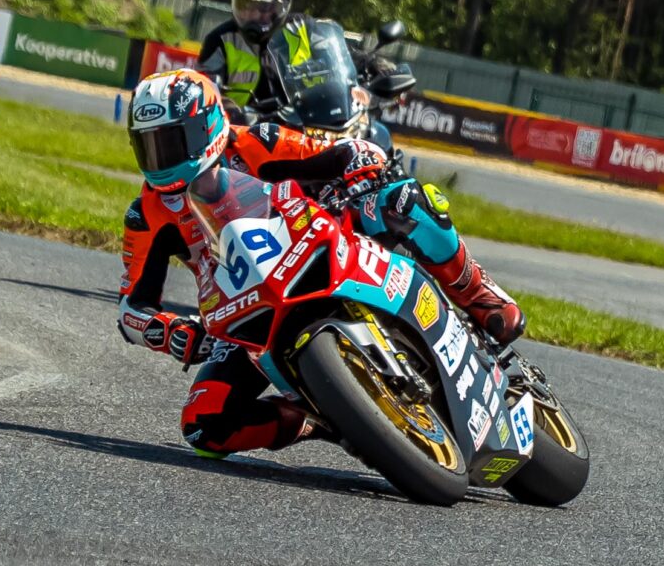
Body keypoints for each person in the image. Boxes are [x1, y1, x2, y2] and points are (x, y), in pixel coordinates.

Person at [117, 69, 525, 458]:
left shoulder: (255, 141)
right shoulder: (146, 214)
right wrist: (170, 333)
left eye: (170, 141)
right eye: (147, 145)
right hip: (246, 309)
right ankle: (325, 420)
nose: (159, 158)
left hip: (321, 243)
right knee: (204, 426)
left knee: (405, 201)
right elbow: (131, 309)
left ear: (205, 126)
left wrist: (362, 166)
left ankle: (480, 296)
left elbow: (339, 151)